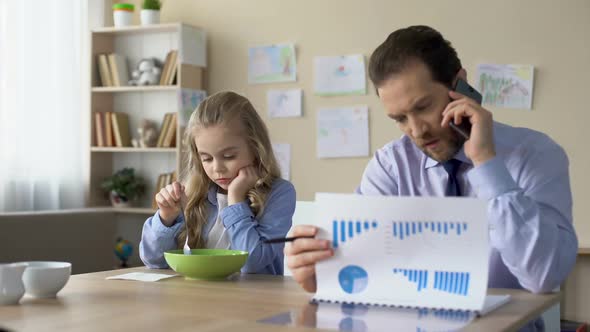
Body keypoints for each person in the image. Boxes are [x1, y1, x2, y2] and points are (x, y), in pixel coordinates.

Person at [285, 26, 577, 329]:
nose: (417, 131)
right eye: (399, 119)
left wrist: (486, 162)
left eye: (423, 107)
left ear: (460, 85)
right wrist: (321, 274)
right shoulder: (390, 166)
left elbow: (543, 276)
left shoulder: (536, 154)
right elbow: (365, 269)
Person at [140, 91, 296, 275]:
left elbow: (252, 262)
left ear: (256, 148)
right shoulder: (192, 193)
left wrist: (236, 200)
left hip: (253, 301)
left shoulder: (279, 193)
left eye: (229, 156)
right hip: (197, 298)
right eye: (206, 158)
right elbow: (153, 260)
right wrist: (166, 219)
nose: (218, 168)